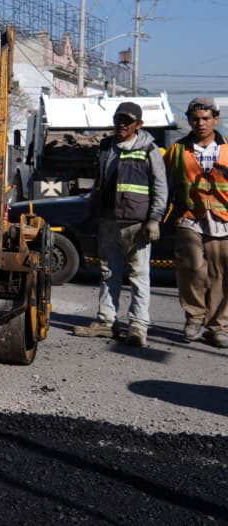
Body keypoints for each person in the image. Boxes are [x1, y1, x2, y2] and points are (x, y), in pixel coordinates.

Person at [74, 101, 169, 347]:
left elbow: (160, 188)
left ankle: (138, 326)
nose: (122, 124)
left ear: (139, 125)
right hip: (108, 221)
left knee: (139, 275)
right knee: (108, 272)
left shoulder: (149, 149)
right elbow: (99, 183)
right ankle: (107, 322)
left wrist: (154, 219)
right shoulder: (106, 147)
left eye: (128, 121)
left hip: (136, 224)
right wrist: (92, 213)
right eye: (119, 119)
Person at [165, 96, 228, 348]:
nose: (200, 123)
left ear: (216, 119)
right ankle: (194, 318)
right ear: (189, 121)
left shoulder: (227, 149)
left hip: (223, 220)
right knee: (191, 268)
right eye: (195, 119)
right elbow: (165, 184)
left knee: (220, 274)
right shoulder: (178, 150)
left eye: (205, 118)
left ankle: (218, 327)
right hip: (189, 217)